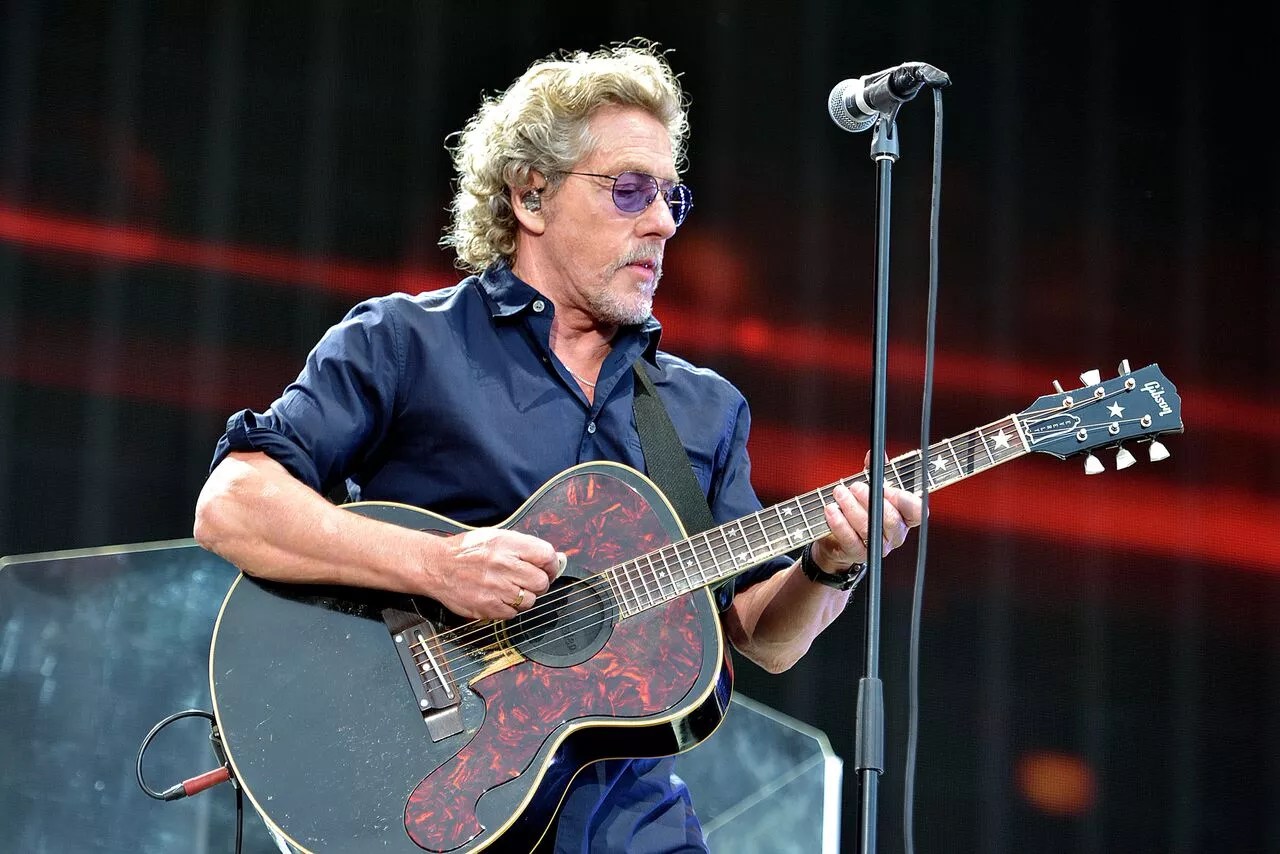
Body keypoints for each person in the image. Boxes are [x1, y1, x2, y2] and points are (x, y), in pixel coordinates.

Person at [193, 40, 922, 854]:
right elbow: (233, 507)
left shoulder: (703, 410)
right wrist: (438, 565)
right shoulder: (403, 342)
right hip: (444, 808)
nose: (661, 222)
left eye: (671, 197)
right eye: (629, 190)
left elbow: (761, 637)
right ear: (531, 194)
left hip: (630, 826)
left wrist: (832, 564)